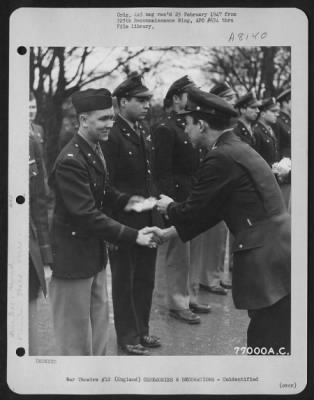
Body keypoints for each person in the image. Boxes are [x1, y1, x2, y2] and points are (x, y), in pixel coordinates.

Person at [152, 87, 291, 353]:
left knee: (268, 340)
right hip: (278, 251)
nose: (186, 130)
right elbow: (215, 209)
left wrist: (169, 207)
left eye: (188, 124)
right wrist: (171, 232)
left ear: (202, 125)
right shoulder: (234, 147)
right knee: (272, 333)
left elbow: (193, 209)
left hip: (266, 258)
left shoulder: (220, 157)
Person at [48, 88, 156, 356]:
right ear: (83, 120)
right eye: (104, 119)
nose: (110, 124)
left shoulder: (93, 149)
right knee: (74, 341)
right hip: (73, 259)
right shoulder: (71, 160)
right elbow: (85, 214)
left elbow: (104, 190)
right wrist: (133, 235)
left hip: (92, 256)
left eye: (111, 117)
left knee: (98, 334)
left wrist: (128, 201)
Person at [102, 73, 161, 355]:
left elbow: (151, 177)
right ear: (123, 101)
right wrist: (111, 227)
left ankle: (142, 330)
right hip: (123, 222)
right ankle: (127, 336)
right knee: (125, 281)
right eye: (141, 100)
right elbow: (106, 184)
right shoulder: (112, 134)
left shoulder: (142, 129)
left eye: (148, 100)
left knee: (145, 278)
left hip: (147, 218)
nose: (147, 105)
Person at [153, 75, 211, 325]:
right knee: (179, 253)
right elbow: (162, 172)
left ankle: (191, 294)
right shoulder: (166, 129)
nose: (195, 98)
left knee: (195, 249)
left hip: (193, 193)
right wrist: (168, 205)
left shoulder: (194, 124)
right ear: (176, 99)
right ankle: (178, 302)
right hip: (176, 196)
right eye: (190, 94)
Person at [29, 125, 53, 355]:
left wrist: (45, 255)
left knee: (27, 323)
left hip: (23, 243)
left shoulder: (30, 141)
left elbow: (38, 202)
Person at [275, 88, 291, 210]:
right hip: (284, 170)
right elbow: (277, 145)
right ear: (285, 103)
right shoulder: (279, 121)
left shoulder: (290, 120)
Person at [253, 97, 280, 166]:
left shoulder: (270, 129)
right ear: (263, 114)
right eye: (273, 111)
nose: (277, 114)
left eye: (277, 112)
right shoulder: (256, 131)